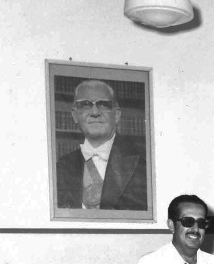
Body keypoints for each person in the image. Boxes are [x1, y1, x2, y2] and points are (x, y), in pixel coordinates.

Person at [56, 80, 148, 211]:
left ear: (116, 115)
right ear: (75, 115)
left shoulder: (144, 161)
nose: (94, 112)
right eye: (85, 105)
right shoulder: (62, 166)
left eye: (103, 105)